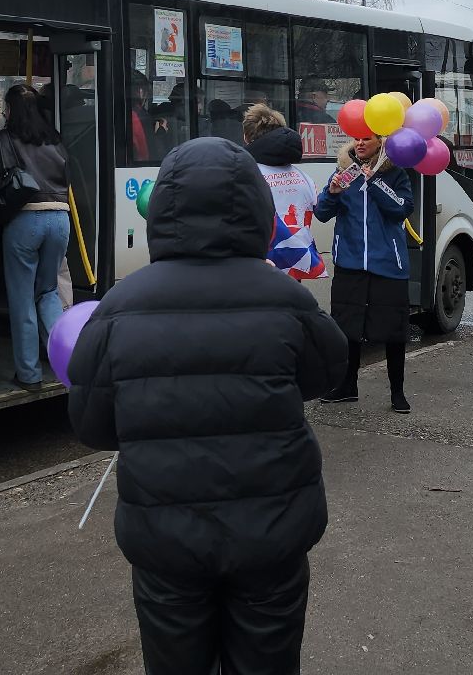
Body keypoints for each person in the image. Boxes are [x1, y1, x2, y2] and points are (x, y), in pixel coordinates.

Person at [68, 137, 347, 675]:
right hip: (273, 528)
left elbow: (92, 425)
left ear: (162, 211)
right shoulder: (286, 298)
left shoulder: (119, 306)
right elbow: (325, 375)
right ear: (256, 210)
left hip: (166, 538)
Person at [314, 130, 415, 412]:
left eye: (366, 138)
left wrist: (374, 181)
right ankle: (347, 386)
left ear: (380, 142)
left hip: (388, 265)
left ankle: (397, 392)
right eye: (356, 138)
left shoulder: (396, 174)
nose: (360, 143)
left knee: (394, 331)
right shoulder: (343, 171)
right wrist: (332, 192)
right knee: (348, 329)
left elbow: (402, 209)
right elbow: (322, 212)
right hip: (350, 263)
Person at [0, 83, 73, 390]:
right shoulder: (54, 138)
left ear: (11, 110)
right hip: (60, 218)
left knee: (22, 299)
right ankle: (70, 364)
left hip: (26, 220)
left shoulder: (6, 138)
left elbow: (0, 176)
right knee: (49, 292)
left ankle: (28, 374)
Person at [242, 104, 324, 279]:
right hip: (295, 262)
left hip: (260, 264)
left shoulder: (248, 173)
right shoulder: (303, 176)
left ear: (246, 137)